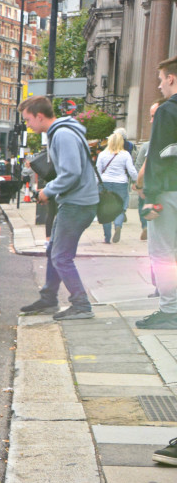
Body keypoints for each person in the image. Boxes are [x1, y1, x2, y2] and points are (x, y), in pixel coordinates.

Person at [18, 95, 100, 320]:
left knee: (61, 256)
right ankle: (49, 299)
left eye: (28, 119)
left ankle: (81, 305)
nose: (28, 125)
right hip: (76, 202)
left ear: (39, 116)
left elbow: (71, 173)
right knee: (53, 250)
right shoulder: (62, 132)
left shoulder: (62, 134)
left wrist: (48, 191)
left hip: (77, 204)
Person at [138, 55, 177, 336]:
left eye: (161, 80)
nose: (160, 86)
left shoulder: (167, 111)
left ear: (171, 78)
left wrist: (150, 197)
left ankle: (169, 311)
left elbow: (159, 157)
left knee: (163, 253)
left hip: (168, 191)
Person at [96, 130, 138, 243]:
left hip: (105, 183)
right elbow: (132, 171)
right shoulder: (125, 154)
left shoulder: (102, 154)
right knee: (120, 207)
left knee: (104, 208)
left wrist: (95, 185)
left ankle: (107, 237)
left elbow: (98, 171)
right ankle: (118, 225)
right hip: (121, 183)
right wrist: (137, 181)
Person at [136, 101, 162, 241]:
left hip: (156, 189)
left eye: (153, 116)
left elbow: (142, 167)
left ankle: (145, 225)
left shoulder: (154, 142)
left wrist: (138, 184)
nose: (151, 121)